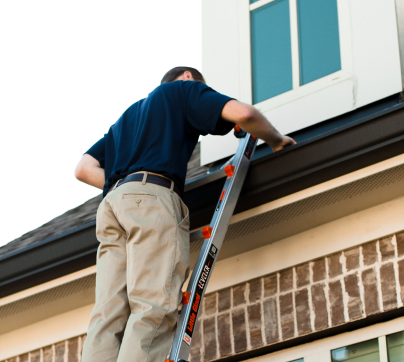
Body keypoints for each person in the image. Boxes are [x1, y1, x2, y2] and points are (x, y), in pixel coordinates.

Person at [75, 66, 295, 362]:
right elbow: (245, 115)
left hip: (112, 205)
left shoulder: (127, 118)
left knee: (108, 313)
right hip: (152, 199)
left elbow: (84, 169)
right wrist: (276, 139)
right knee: (152, 307)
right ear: (189, 78)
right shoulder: (183, 90)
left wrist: (127, 189)